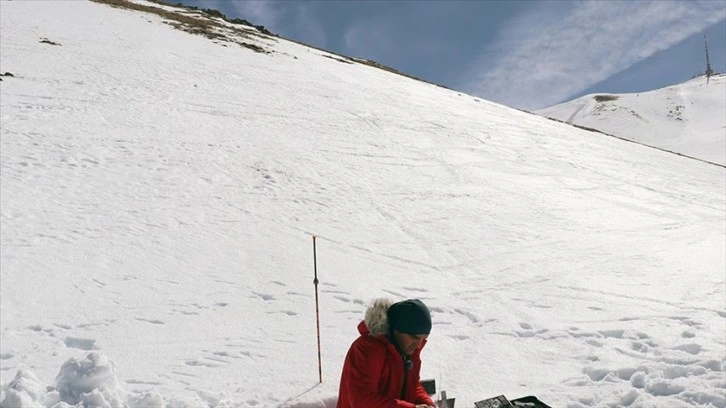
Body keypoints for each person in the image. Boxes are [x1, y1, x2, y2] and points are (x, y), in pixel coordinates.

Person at [336, 298, 435, 408]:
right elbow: (361, 400)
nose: (418, 344)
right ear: (396, 330)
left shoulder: (408, 351)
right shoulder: (367, 349)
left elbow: (412, 386)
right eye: (414, 337)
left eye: (424, 338)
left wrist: (427, 403)